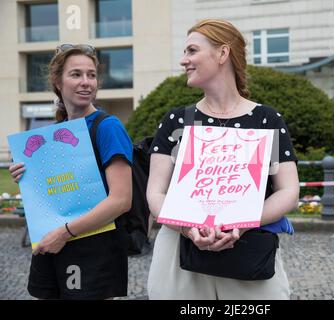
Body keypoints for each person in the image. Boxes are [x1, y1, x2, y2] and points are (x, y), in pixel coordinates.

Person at [146, 19, 300, 300]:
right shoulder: (177, 120)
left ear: (222, 54)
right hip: (179, 254)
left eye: (192, 51)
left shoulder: (266, 119)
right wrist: (187, 228)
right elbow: (155, 192)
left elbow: (289, 190)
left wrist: (241, 224)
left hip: (249, 253)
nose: (184, 60)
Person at [9, 44, 133, 299]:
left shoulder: (108, 127)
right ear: (57, 81)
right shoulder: (56, 132)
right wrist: (25, 175)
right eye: (76, 74)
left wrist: (64, 233)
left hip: (92, 249)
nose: (86, 82)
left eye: (91, 75)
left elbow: (121, 200)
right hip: (51, 245)